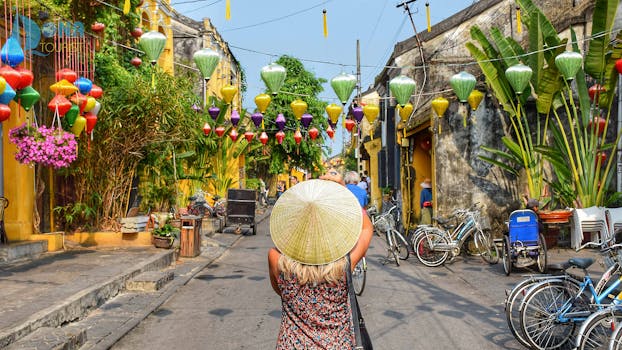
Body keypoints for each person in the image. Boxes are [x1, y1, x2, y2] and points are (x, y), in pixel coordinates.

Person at [268, 178, 373, 349]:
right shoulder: (344, 265)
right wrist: (344, 192)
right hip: (339, 345)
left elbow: (279, 290)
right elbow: (366, 228)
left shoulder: (275, 258)